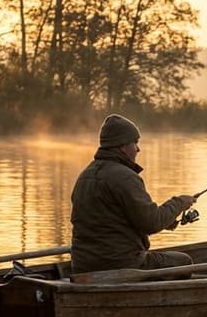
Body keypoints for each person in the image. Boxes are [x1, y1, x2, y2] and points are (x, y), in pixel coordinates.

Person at [70, 114, 197, 274]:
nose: (138, 149)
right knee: (184, 262)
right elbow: (151, 223)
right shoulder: (126, 177)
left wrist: (167, 220)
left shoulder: (85, 176)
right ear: (122, 145)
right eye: (135, 143)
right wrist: (180, 203)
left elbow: (112, 221)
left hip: (82, 266)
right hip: (121, 264)